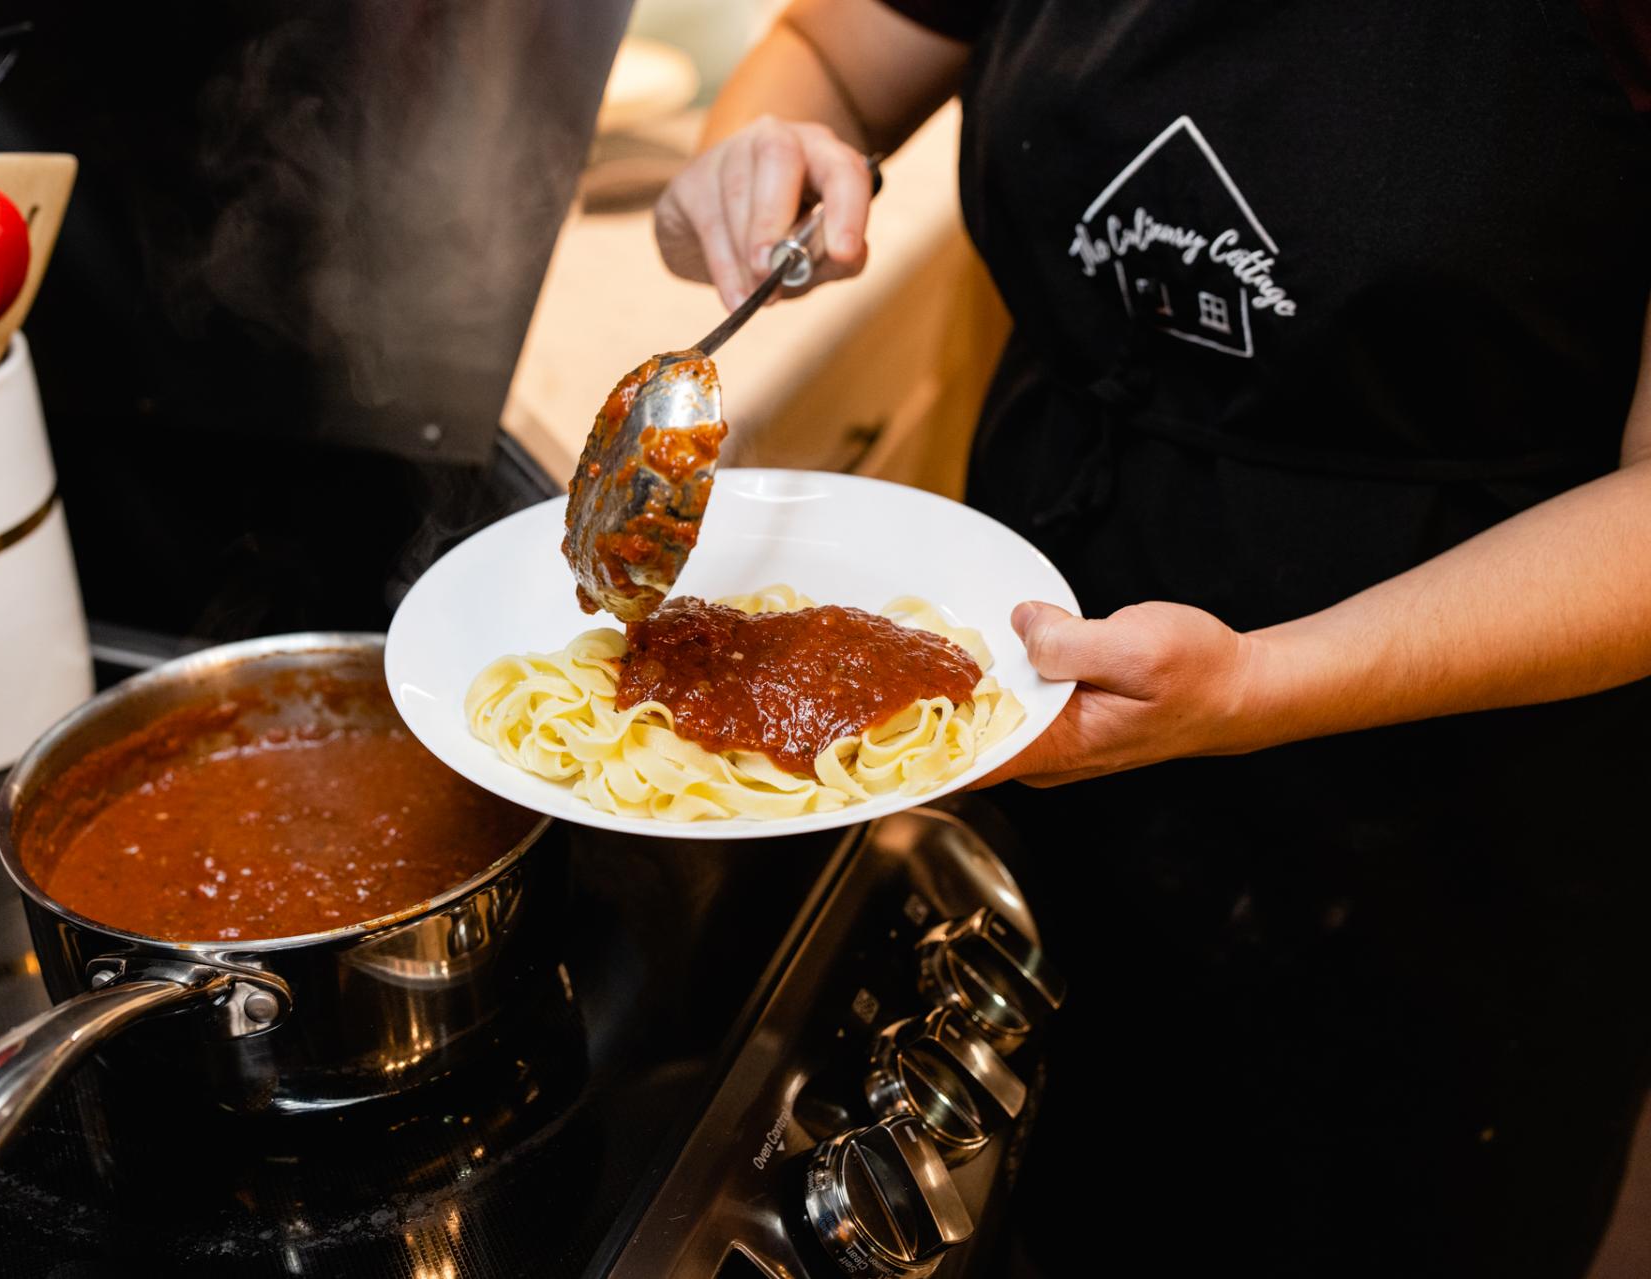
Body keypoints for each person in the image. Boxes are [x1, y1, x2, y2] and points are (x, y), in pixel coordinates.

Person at [654, 2, 1651, 1275]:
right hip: (1032, 737)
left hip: (1445, 838)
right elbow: (832, 62)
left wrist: (1260, 681)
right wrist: (756, 153)